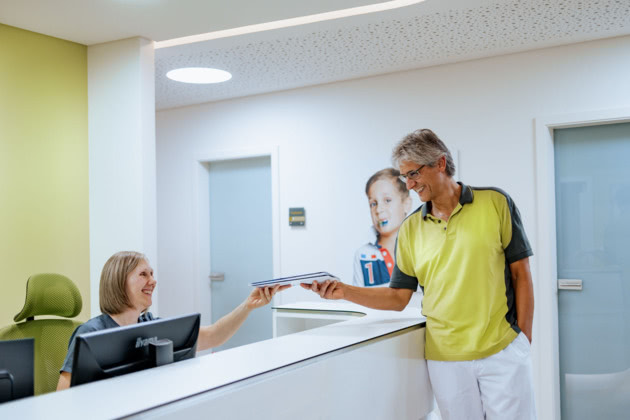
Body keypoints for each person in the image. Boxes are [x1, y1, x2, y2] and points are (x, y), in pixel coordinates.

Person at [302, 129, 536, 419]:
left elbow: (521, 274)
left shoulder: (496, 203)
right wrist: (344, 291)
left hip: (502, 352)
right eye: (405, 177)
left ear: (440, 163)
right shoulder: (411, 228)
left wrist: (522, 341)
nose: (410, 185)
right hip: (446, 360)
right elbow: (398, 297)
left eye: (413, 174)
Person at [57, 251, 288, 391]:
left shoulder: (151, 326)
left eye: (152, 274)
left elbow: (214, 336)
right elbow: (63, 395)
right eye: (143, 274)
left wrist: (248, 305)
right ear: (118, 282)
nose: (153, 281)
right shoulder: (90, 332)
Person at [352, 168, 411, 287]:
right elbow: (358, 295)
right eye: (373, 204)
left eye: (387, 200)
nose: (379, 210)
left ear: (406, 204)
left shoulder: (419, 247)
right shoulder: (363, 255)